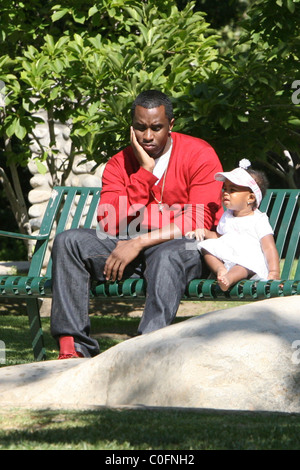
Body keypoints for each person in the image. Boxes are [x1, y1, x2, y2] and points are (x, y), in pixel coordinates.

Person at [50, 89, 224, 359]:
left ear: (171, 125)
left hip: (186, 248)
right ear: (132, 128)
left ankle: (147, 350)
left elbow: (197, 220)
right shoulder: (120, 163)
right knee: (69, 241)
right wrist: (144, 173)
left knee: (167, 255)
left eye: (156, 128)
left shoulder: (199, 154)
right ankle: (72, 347)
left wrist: (139, 240)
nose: (148, 136)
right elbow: (108, 222)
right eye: (140, 128)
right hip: (131, 248)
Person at [186, 159, 280, 291]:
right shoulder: (228, 215)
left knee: (241, 265)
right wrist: (206, 233)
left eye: (232, 190)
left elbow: (269, 248)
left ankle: (229, 279)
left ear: (251, 198)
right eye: (225, 188)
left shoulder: (258, 220)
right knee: (206, 247)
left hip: (249, 262)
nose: (226, 192)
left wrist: (274, 272)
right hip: (229, 256)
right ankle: (220, 270)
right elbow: (220, 236)